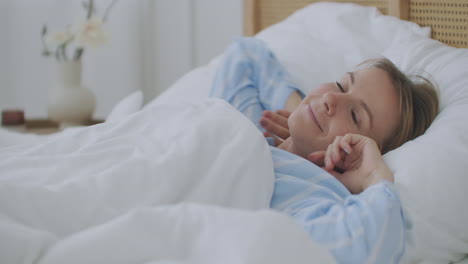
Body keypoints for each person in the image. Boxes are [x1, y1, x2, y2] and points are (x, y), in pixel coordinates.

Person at [210, 37, 439, 263]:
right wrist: (298, 108)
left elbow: (365, 247)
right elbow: (244, 53)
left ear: (357, 152)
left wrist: (373, 177)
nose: (330, 97)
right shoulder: (254, 127)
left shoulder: (314, 194)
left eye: (354, 115)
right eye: (341, 85)